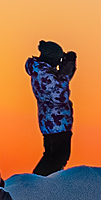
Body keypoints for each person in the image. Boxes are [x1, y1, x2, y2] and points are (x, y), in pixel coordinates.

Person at [25, 40, 78, 175]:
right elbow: (60, 94)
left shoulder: (42, 71)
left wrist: (69, 66)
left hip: (53, 121)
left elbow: (60, 83)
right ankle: (37, 185)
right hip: (56, 123)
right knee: (56, 158)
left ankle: (39, 184)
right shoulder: (44, 74)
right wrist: (66, 69)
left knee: (53, 157)